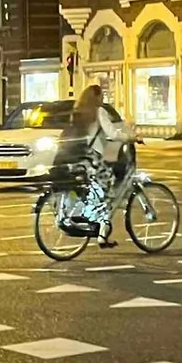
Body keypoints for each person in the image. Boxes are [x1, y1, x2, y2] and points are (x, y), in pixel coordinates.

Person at [58, 84, 131, 247]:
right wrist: (130, 137)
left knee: (93, 189)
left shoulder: (78, 112)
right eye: (102, 96)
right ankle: (102, 234)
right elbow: (112, 133)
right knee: (109, 192)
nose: (103, 98)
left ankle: (86, 214)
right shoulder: (99, 111)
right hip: (94, 158)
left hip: (80, 156)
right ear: (97, 98)